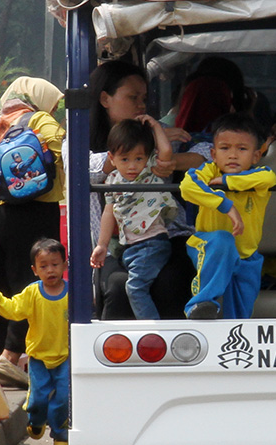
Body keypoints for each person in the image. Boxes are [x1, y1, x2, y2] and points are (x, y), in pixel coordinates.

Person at [0, 77, 64, 389]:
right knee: (31, 284)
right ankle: (9, 358)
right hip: (30, 209)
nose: (56, 109)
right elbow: (62, 151)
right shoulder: (39, 119)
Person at [86, 61, 201, 320]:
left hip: (165, 235)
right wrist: (129, 147)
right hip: (119, 244)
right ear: (105, 98)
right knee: (117, 286)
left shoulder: (157, 133)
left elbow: (204, 156)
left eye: (144, 98)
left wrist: (170, 160)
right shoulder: (81, 139)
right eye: (132, 97)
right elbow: (85, 171)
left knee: (173, 278)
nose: (141, 105)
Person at [0, 238, 70, 445]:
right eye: (43, 266)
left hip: (65, 356)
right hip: (38, 357)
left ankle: (60, 434)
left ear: (65, 265)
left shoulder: (72, 294)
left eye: (55, 264)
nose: (50, 270)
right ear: (34, 270)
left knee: (63, 397)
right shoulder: (32, 293)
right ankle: (36, 421)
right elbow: (13, 310)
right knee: (38, 399)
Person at [179, 113, 276, 319]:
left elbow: (269, 176)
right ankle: (200, 306)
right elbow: (187, 186)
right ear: (213, 154)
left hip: (246, 256)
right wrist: (226, 205)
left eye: (242, 149)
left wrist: (227, 181)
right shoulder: (207, 170)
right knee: (223, 241)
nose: (233, 155)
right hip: (207, 244)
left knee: (240, 320)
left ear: (256, 156)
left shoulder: (261, 175)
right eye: (225, 148)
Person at [90, 117, 177, 320]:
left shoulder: (149, 170)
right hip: (129, 248)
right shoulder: (112, 181)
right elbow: (108, 213)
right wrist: (102, 245)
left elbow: (166, 152)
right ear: (112, 158)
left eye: (138, 158)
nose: (132, 166)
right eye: (125, 159)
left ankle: (153, 331)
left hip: (153, 243)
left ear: (147, 157)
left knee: (135, 288)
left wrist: (155, 126)